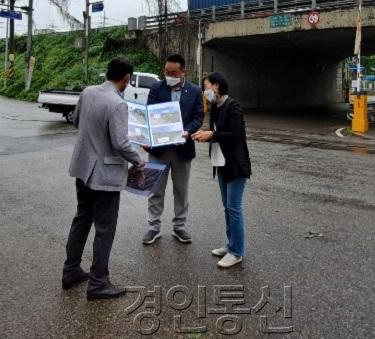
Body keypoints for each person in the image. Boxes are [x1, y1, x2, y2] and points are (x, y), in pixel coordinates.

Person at [63, 58, 145, 300]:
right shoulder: (118, 104)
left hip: (83, 168)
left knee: (81, 219)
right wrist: (139, 160)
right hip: (104, 176)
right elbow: (120, 143)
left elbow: (78, 121)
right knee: (104, 228)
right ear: (127, 78)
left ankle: (71, 270)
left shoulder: (88, 92)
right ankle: (98, 282)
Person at [142, 54, 204, 245]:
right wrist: (146, 137)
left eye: (173, 73)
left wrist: (187, 131)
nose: (168, 75)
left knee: (181, 190)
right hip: (158, 149)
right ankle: (153, 227)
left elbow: (198, 116)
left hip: (182, 150)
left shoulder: (194, 91)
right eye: (166, 72)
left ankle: (179, 227)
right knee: (155, 189)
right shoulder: (156, 88)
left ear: (183, 71)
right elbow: (149, 113)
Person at [192, 72, 251, 268]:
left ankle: (237, 252)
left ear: (216, 86)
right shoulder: (216, 107)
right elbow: (215, 133)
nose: (204, 91)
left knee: (234, 208)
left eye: (206, 87)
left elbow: (234, 135)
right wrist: (205, 134)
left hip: (236, 165)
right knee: (227, 207)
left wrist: (211, 134)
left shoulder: (233, 106)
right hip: (221, 163)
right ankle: (231, 244)